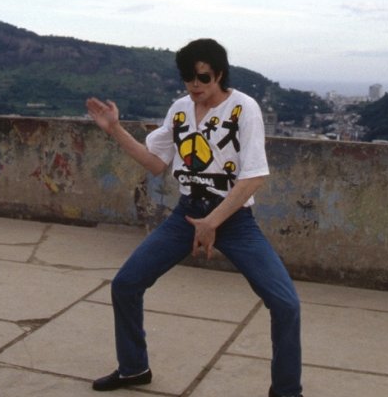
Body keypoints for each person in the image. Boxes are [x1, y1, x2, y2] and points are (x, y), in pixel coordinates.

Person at [85, 38, 302, 397]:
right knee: (126, 284)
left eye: (203, 77)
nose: (195, 85)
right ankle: (134, 367)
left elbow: (253, 176)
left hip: (233, 218)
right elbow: (156, 162)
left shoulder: (243, 108)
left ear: (220, 74)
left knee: (285, 304)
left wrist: (213, 222)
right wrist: (115, 130)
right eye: (188, 77)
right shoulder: (181, 109)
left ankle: (287, 391)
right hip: (188, 214)